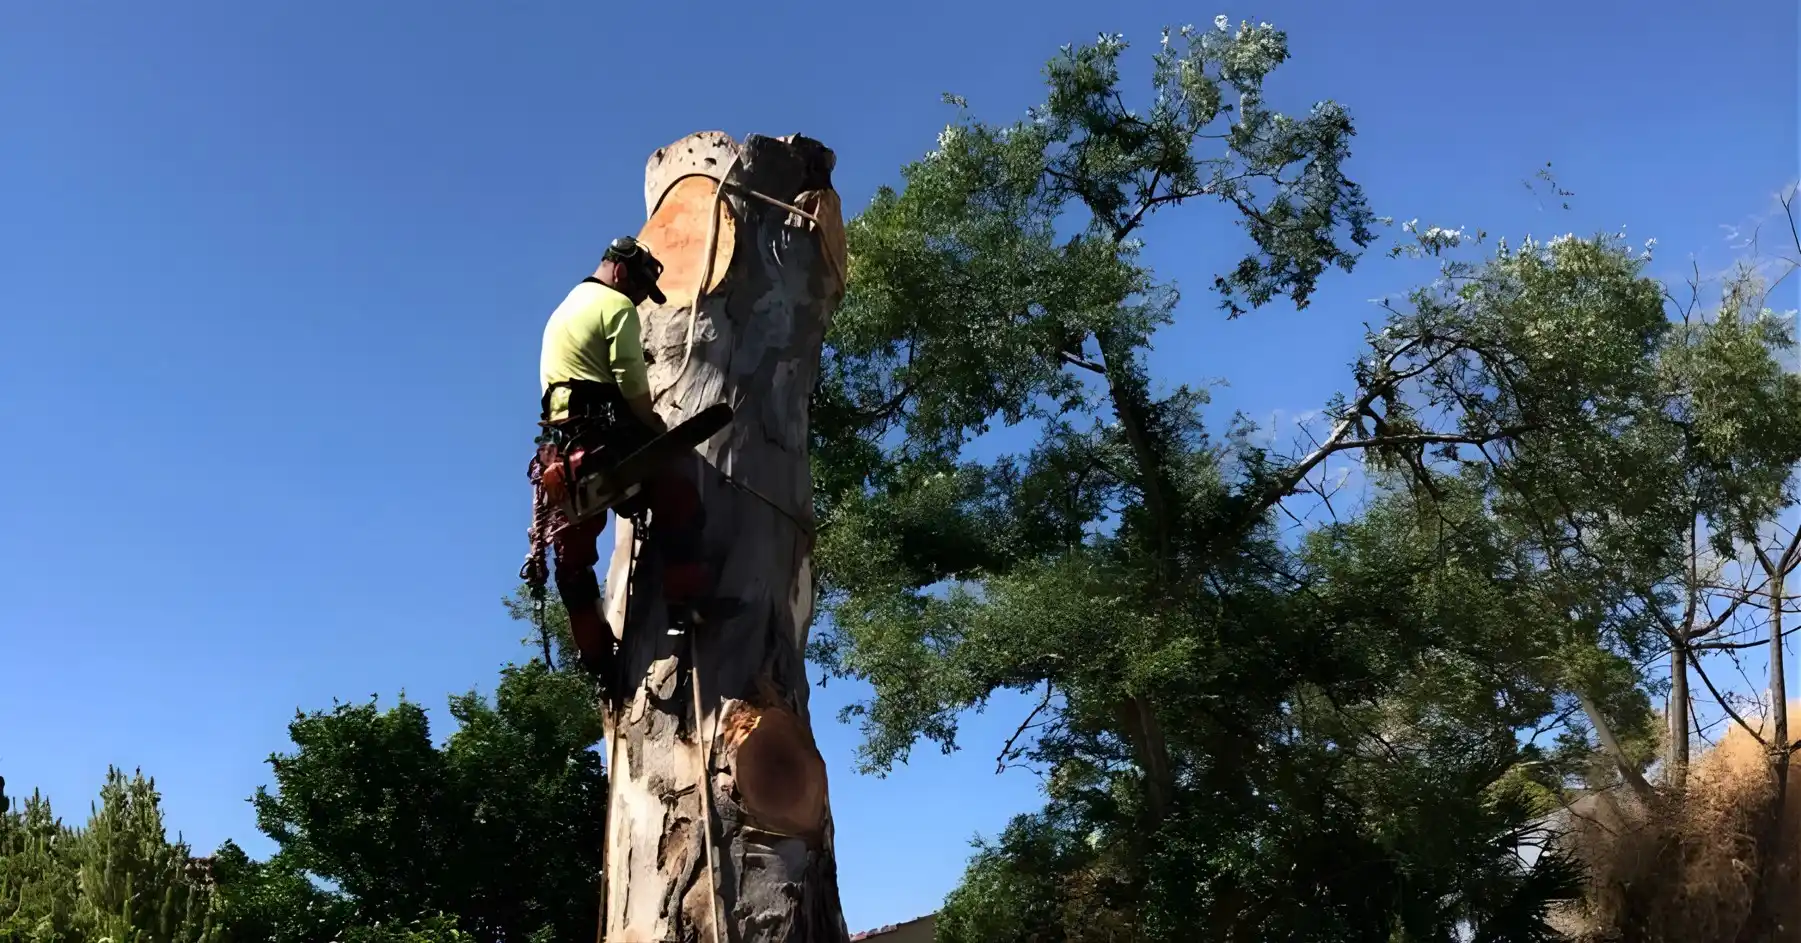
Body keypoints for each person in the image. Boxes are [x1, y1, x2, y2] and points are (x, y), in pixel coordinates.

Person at [532, 235, 721, 675]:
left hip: (562, 452)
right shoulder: (613, 306)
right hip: (601, 442)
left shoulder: (563, 312)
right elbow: (632, 383)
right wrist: (655, 428)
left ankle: (596, 659)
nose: (638, 300)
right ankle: (685, 607)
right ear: (620, 271)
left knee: (573, 567)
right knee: (680, 493)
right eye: (637, 288)